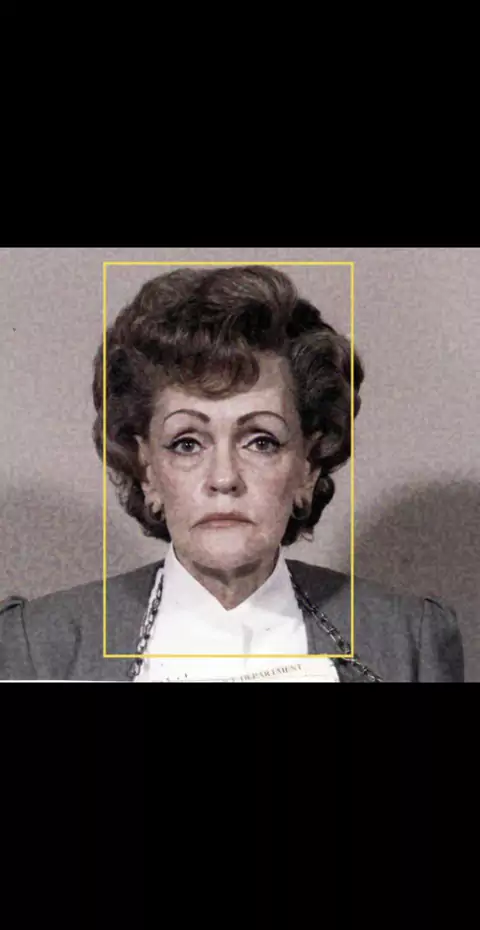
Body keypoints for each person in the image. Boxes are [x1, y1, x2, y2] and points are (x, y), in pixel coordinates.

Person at [0, 266, 464, 682]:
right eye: (187, 443)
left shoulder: (408, 641)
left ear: (307, 467)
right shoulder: (39, 646)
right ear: (147, 471)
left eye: (260, 441)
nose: (224, 479)